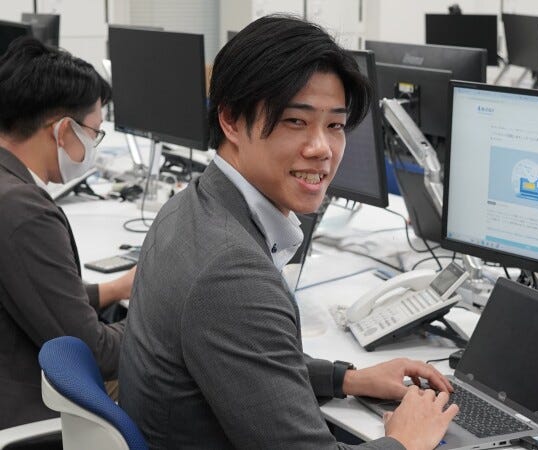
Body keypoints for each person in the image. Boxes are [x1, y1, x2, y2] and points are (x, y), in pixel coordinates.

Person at [119, 15, 458, 449]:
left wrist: (347, 378)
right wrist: (405, 441)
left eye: (335, 125)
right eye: (296, 121)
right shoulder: (232, 272)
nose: (322, 149)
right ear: (231, 120)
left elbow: (245, 359)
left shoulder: (190, 206)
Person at [0, 37, 134, 429]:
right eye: (94, 133)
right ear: (62, 131)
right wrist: (164, 319)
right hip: (30, 412)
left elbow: (31, 292)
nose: (94, 145)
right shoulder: (23, 212)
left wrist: (114, 289)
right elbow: (95, 353)